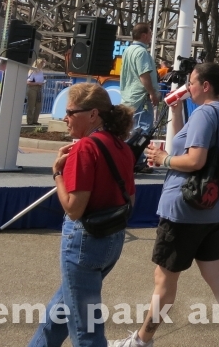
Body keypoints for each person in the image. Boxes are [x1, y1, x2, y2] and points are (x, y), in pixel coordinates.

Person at [112, 62, 219, 347]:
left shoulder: (204, 114)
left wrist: (164, 161)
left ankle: (141, 339)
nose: (189, 88)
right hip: (213, 207)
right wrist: (175, 111)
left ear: (205, 86)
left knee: (164, 279)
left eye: (192, 83)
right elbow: (180, 147)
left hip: (184, 209)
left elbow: (193, 160)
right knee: (216, 274)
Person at [29, 83, 136, 347]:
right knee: (61, 311)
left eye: (70, 112)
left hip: (84, 241)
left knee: (85, 329)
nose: (64, 118)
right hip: (112, 239)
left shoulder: (85, 149)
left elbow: (73, 207)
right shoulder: (120, 146)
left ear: (92, 114)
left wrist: (56, 173)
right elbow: (131, 199)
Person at [119, 23, 160, 132]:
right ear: (144, 35)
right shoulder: (141, 52)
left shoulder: (128, 50)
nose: (151, 36)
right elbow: (144, 75)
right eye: (150, 33)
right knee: (141, 133)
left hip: (129, 97)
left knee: (129, 132)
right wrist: (152, 93)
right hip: (141, 99)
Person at [25, 61, 46, 126]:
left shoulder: (41, 71)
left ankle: (35, 120)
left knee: (38, 105)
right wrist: (37, 83)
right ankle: (30, 121)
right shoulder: (32, 71)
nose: (43, 64)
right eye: (41, 63)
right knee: (31, 105)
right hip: (32, 88)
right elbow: (28, 82)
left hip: (39, 88)